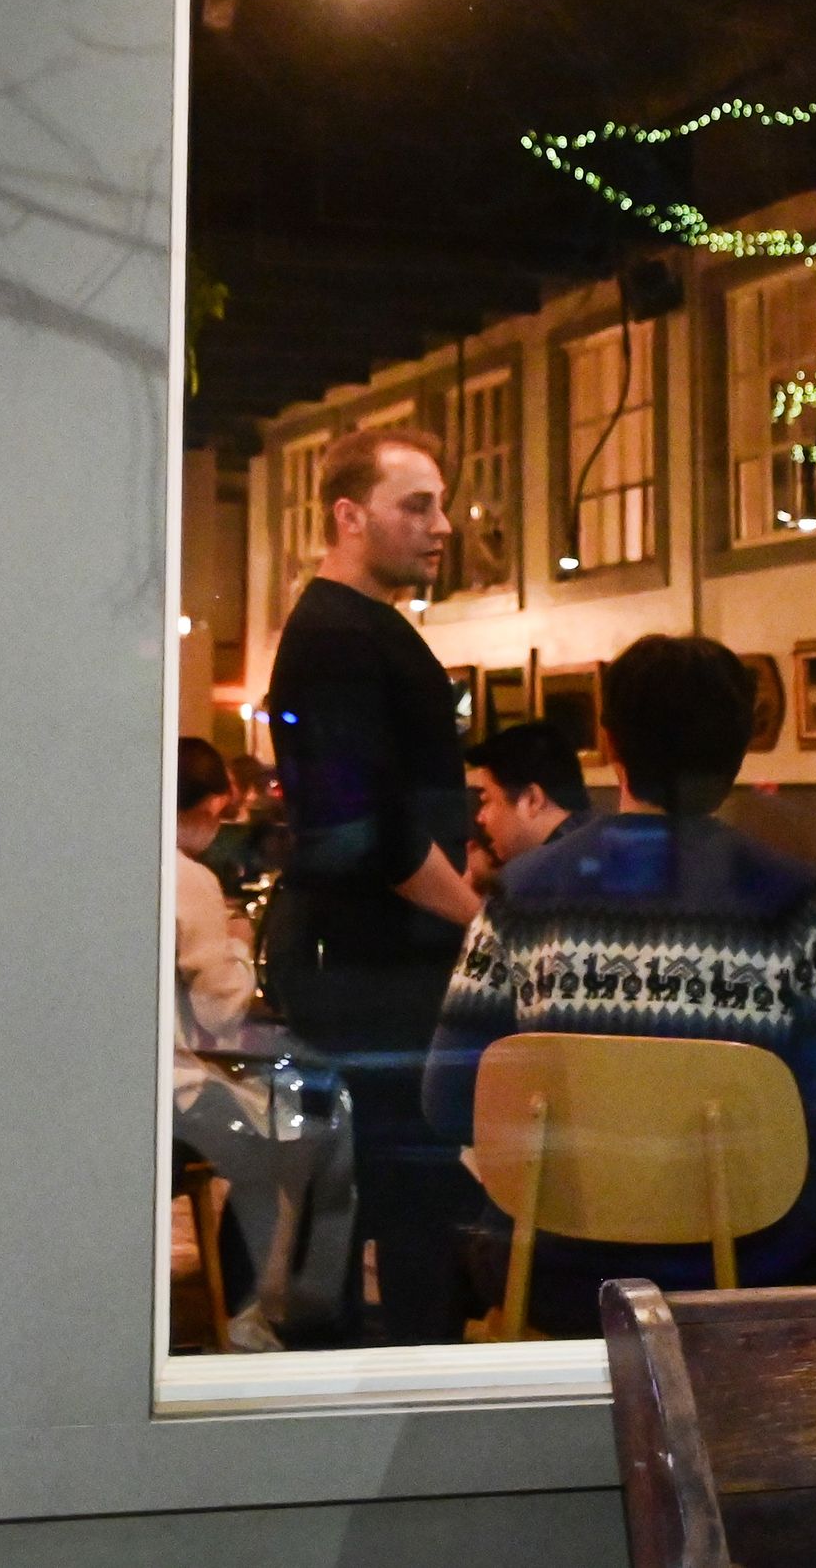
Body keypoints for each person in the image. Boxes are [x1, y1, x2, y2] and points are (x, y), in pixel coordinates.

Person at [423, 633, 816, 1335]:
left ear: (610, 744)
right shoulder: (794, 900)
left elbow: (449, 1102)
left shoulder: (521, 896)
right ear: (740, 751)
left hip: (553, 1269)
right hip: (742, 1270)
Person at [259, 424, 479, 1342]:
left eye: (442, 503)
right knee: (397, 1183)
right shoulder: (339, 636)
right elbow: (366, 833)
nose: (442, 525)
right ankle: (402, 1396)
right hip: (364, 960)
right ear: (350, 516)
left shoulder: (353, 627)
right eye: (415, 505)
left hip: (364, 952)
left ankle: (375, 1380)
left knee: (383, 1183)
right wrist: (480, 920)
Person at [172, 737, 352, 1347]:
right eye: (219, 816)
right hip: (165, 1099)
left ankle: (238, 1305)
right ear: (203, 808)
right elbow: (219, 1011)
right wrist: (241, 945)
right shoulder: (186, 877)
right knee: (301, 1125)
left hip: (102, 1095)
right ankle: (261, 1314)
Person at [463, 718, 591, 897]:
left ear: (532, 800)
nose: (480, 817)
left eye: (487, 800)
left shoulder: (532, 885)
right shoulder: (602, 851)